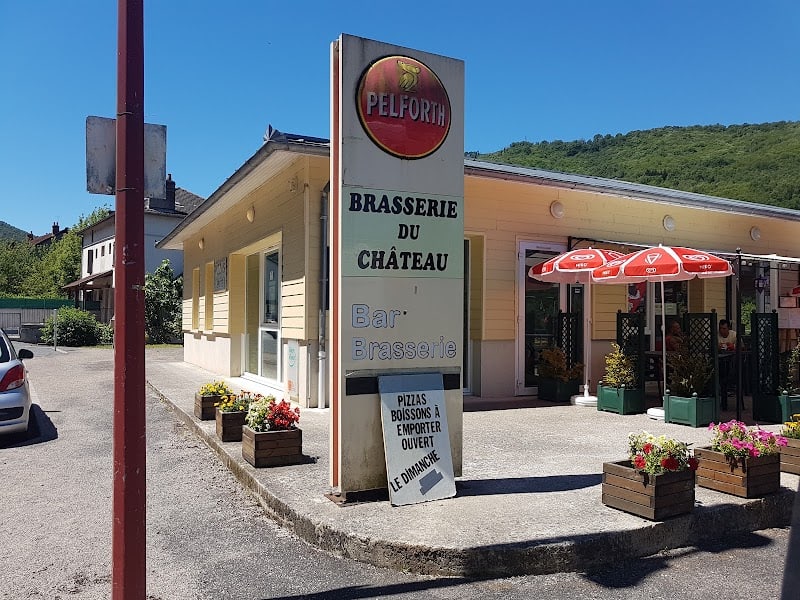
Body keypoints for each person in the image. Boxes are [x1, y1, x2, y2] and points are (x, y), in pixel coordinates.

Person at [717, 319, 738, 409]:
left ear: (728, 328)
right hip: (719, 362)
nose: (722, 330)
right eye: (721, 328)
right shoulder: (716, 335)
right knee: (721, 376)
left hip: (732, 364)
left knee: (725, 377)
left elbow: (742, 347)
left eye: (724, 328)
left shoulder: (734, 335)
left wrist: (733, 346)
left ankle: (724, 396)